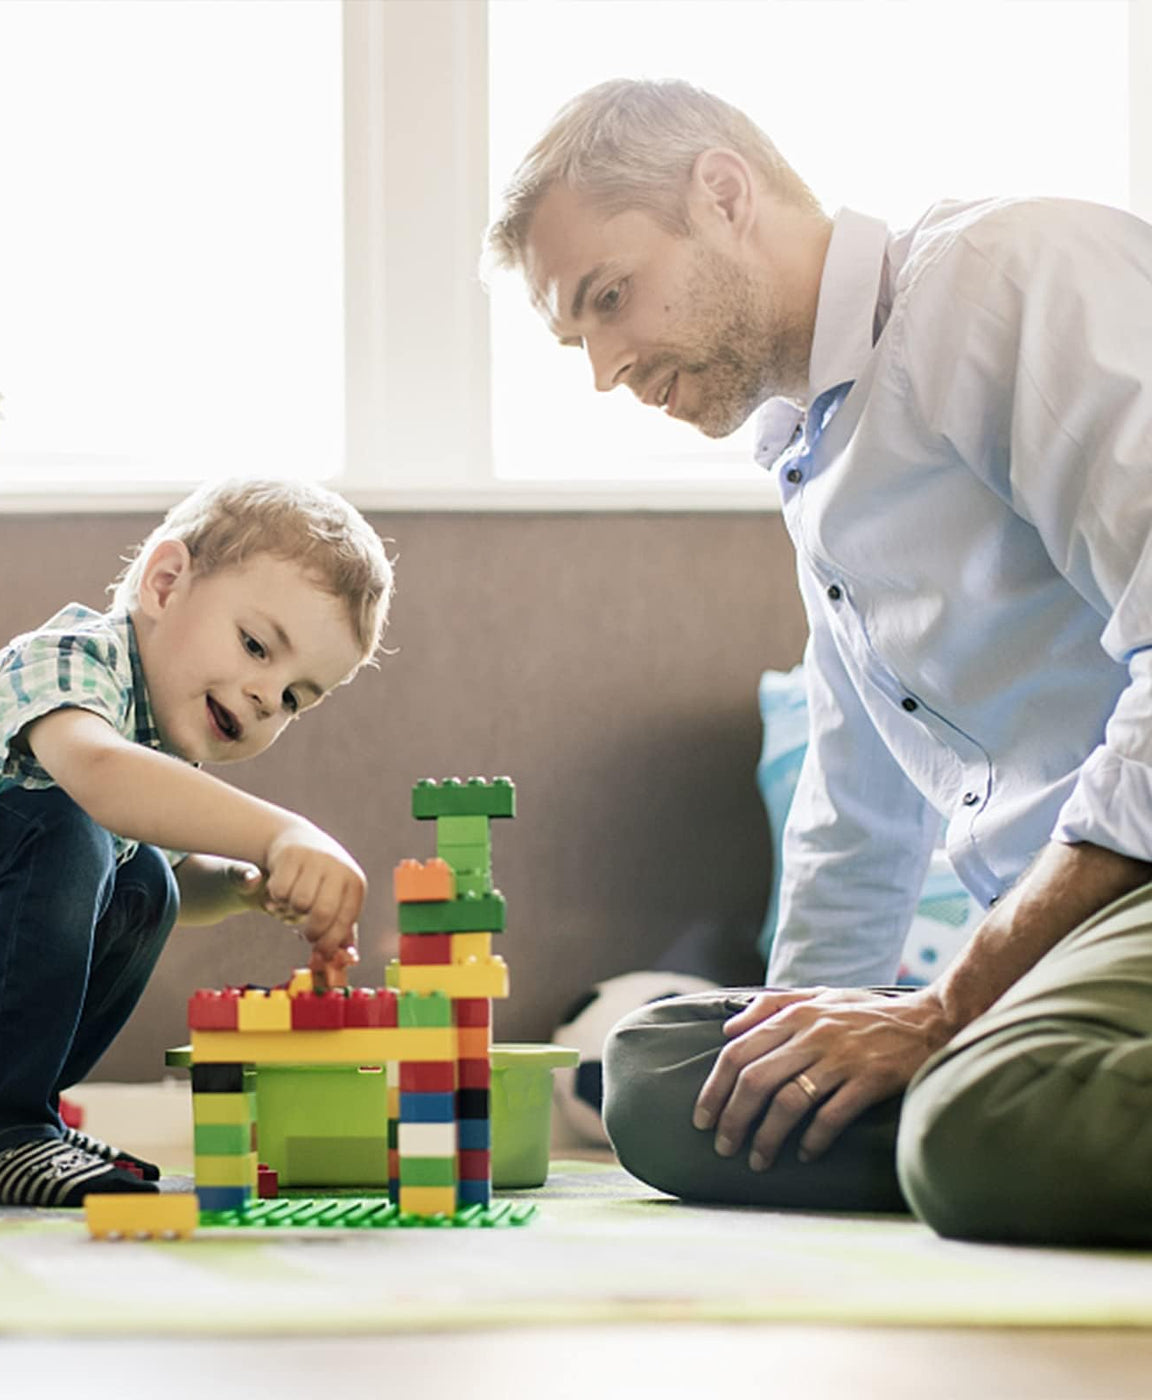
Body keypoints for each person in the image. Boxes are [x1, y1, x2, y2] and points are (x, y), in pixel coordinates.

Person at [483, 78, 1152, 1243]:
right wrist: (790, 1037)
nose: (602, 369)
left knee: (972, 1125)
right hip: (1056, 940)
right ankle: (997, 1100)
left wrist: (950, 1002)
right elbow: (857, 816)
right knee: (661, 1070)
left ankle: (985, 1107)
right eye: (574, 336)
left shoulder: (1000, 279)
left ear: (722, 193)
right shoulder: (812, 461)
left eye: (609, 297)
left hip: (1127, 883)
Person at [0, 477, 393, 1208]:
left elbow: (163, 879)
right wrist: (283, 830)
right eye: (255, 646)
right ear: (165, 582)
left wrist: (248, 884)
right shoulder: (70, 661)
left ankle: (16, 1119)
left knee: (150, 878)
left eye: (293, 698)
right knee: (63, 818)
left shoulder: (154, 758)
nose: (262, 697)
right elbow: (98, 775)